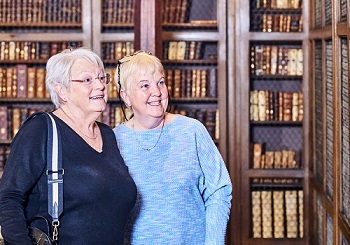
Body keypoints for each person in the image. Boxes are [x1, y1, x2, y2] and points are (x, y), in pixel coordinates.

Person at [0, 47, 137, 244]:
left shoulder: (107, 134)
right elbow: (9, 198)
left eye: (101, 78)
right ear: (61, 90)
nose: (100, 85)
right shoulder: (41, 129)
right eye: (87, 80)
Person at [113, 51, 232, 244]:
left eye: (160, 82)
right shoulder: (114, 141)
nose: (157, 92)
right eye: (145, 85)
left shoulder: (192, 131)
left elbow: (219, 190)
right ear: (126, 97)